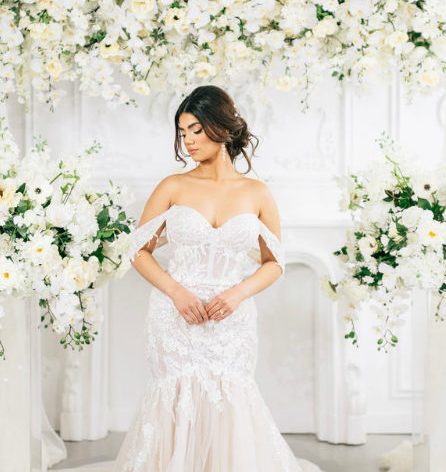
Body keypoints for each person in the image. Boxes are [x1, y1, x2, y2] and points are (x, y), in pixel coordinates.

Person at [63, 85, 324, 472]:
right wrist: (175, 293)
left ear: (223, 129)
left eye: (195, 130)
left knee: (229, 393)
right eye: (182, 132)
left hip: (231, 319)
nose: (187, 141)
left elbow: (274, 262)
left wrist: (238, 294)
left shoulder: (258, 193)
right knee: (175, 394)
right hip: (175, 316)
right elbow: (138, 250)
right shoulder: (173, 186)